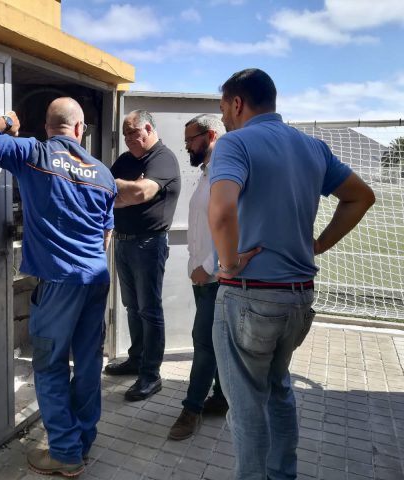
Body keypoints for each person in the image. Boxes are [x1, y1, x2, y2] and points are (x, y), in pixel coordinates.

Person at [208, 68, 375, 479]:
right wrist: (319, 244)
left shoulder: (235, 143)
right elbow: (361, 196)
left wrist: (228, 263)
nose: (224, 119)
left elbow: (222, 210)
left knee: (246, 405)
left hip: (249, 296)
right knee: (278, 391)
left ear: (237, 103)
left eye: (224, 110)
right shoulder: (312, 147)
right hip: (299, 299)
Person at [0, 97, 116, 478]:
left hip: (59, 282)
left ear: (48, 127)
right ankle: (82, 441)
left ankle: (64, 453)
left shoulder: (34, 152)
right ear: (80, 130)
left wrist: (7, 119)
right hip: (95, 279)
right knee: (88, 363)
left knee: (49, 365)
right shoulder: (103, 172)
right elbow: (107, 234)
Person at [104, 110, 181, 402]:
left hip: (149, 244)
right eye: (123, 135)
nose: (127, 141)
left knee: (149, 309)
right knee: (131, 307)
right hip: (123, 243)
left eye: (131, 134)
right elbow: (108, 195)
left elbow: (139, 193)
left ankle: (151, 375)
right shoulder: (126, 161)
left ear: (148, 129)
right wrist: (122, 193)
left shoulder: (162, 158)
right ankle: (136, 359)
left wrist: (118, 190)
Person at [168, 114, 229, 441]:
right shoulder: (208, 172)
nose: (188, 146)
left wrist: (208, 264)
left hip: (216, 275)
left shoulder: (224, 169)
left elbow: (234, 220)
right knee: (213, 341)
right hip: (205, 276)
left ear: (211, 135)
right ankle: (220, 397)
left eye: (191, 139)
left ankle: (191, 410)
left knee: (203, 341)